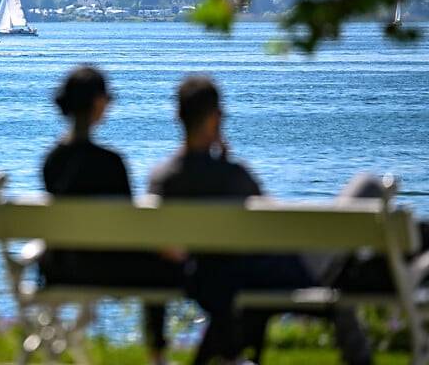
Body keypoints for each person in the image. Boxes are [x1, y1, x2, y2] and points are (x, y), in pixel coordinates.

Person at [148, 76, 371, 365]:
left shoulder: (162, 179)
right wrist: (227, 163)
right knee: (367, 187)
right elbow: (274, 222)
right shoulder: (234, 176)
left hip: (211, 278)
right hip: (289, 271)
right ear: (216, 119)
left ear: (179, 117)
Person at [41, 66, 180, 364]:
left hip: (63, 267)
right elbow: (130, 228)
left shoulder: (51, 161)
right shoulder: (111, 163)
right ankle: (157, 355)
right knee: (165, 269)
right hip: (112, 269)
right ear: (97, 104)